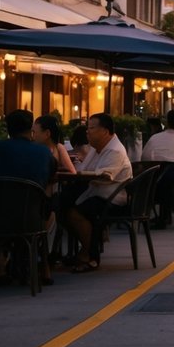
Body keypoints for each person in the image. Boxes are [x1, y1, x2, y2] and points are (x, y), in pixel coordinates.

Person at [63, 113, 131, 273]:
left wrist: (80, 172)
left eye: (92, 128)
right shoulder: (96, 148)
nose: (87, 131)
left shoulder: (115, 150)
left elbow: (105, 175)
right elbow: (84, 169)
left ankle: (90, 254)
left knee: (75, 212)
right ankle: (86, 249)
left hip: (112, 198)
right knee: (62, 203)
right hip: (96, 192)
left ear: (105, 131)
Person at [0, 109, 55, 188]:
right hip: (32, 201)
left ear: (8, 129)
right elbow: (51, 178)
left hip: (0, 200)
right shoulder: (44, 152)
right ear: (30, 129)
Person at [31, 114, 77, 188]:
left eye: (34, 132)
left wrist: (54, 173)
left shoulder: (58, 147)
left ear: (47, 134)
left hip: (52, 190)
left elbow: (72, 173)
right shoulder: (33, 148)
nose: (32, 136)